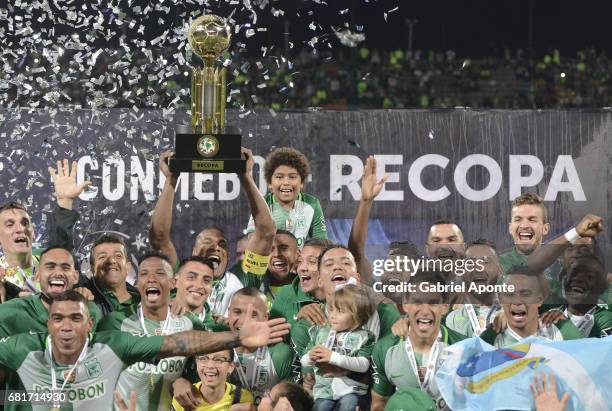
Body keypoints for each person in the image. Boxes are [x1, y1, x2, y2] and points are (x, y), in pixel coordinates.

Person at [0, 290, 290, 411]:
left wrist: (237, 337)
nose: (66, 326)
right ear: (47, 323)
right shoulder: (21, 347)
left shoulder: (114, 345)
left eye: (75, 318)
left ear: (90, 324)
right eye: (57, 319)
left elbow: (181, 343)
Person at [150, 148, 275, 319]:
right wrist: (171, 180)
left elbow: (266, 232)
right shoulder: (178, 273)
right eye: (207, 241)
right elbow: (159, 237)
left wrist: (246, 176)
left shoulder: (244, 277)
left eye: (222, 244)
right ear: (194, 252)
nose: (215, 247)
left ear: (228, 255)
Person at [97, 251, 214, 410]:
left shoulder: (190, 323)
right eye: (144, 274)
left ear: (173, 282)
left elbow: (208, 367)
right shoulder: (115, 321)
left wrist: (183, 380)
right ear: (137, 283)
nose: (152, 279)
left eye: (160, 273)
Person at [173, 288, 295, 408]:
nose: (244, 321)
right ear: (228, 312)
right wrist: (178, 381)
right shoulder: (212, 342)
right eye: (237, 312)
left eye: (253, 314)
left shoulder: (280, 354)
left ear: (265, 317)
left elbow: (291, 405)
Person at [370, 271, 466, 411]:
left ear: (445, 306)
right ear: (405, 304)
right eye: (417, 302)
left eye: (433, 303)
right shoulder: (385, 349)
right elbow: (379, 403)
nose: (425, 311)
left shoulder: (463, 348)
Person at [291, 245, 401, 365]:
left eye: (346, 263)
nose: (337, 267)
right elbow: (309, 377)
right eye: (329, 264)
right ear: (320, 281)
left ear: (357, 279)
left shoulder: (385, 313)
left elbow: (389, 368)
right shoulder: (306, 325)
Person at [0, 159, 90, 297]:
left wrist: (65, 201)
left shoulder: (52, 260)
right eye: (10, 224)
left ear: (33, 233)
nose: (20, 229)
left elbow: (61, 244)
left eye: (25, 223)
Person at [301, 285, 375, 411]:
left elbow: (363, 365)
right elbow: (304, 361)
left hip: (352, 392)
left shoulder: (364, 336)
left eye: (340, 311)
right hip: (324, 392)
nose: (333, 315)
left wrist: (333, 357)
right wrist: (310, 357)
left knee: (348, 405)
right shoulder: (321, 333)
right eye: (331, 310)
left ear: (358, 315)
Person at [0, 246, 101, 338]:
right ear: (37, 276)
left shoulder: (91, 312)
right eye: (50, 267)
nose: (58, 273)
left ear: (75, 277)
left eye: (65, 268)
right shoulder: (10, 313)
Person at [479, 265, 583, 347]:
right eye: (510, 294)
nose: (517, 301)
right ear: (500, 300)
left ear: (540, 299)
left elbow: (588, 366)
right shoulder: (489, 339)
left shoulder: (562, 329)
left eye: (525, 294)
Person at [246, 147, 327, 248]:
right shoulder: (262, 205)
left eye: (292, 177)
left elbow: (321, 245)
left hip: (299, 262)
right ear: (269, 183)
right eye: (279, 177)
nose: (286, 183)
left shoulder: (312, 204)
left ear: (301, 182)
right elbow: (252, 243)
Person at [445, 240, 503, 337]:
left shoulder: (515, 314)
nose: (478, 268)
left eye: (486, 261)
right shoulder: (452, 320)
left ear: (500, 270)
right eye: (470, 263)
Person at [232, 230, 300, 308]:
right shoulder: (250, 285)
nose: (277, 254)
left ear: (297, 254)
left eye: (284, 248)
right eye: (270, 249)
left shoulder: (308, 288)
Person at [270, 238, 329, 326]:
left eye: (312, 261)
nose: (302, 268)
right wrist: (297, 319)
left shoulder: (346, 294)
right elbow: (273, 337)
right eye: (300, 261)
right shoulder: (286, 293)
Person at [171, 349, 253, 411]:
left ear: (231, 367)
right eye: (203, 359)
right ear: (197, 363)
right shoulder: (184, 397)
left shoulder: (243, 397)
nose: (210, 365)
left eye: (219, 360)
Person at [551, 255, 612, 337]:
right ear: (564, 281)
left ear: (600, 288)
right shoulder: (550, 313)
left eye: (589, 277)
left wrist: (565, 325)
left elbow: (600, 349)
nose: (578, 279)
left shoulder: (605, 319)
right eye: (573, 273)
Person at [79, 233, 140, 315]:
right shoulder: (82, 302)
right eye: (102, 257)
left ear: (128, 267)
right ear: (92, 269)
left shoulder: (145, 300)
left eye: (118, 256)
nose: (111, 261)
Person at [500, 193, 551, 272]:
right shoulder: (496, 264)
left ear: (545, 229)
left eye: (532, 220)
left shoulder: (559, 267)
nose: (524, 226)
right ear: (510, 228)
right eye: (518, 220)